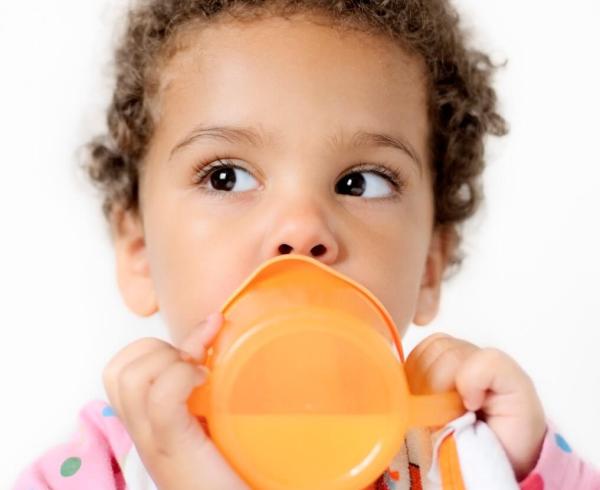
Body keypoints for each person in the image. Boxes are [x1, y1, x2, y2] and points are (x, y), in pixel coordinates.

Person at [12, 0, 600, 488]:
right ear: (138, 248)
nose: (301, 229)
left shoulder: (459, 457)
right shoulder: (95, 473)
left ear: (429, 264)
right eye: (226, 177)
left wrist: (526, 467)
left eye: (360, 182)